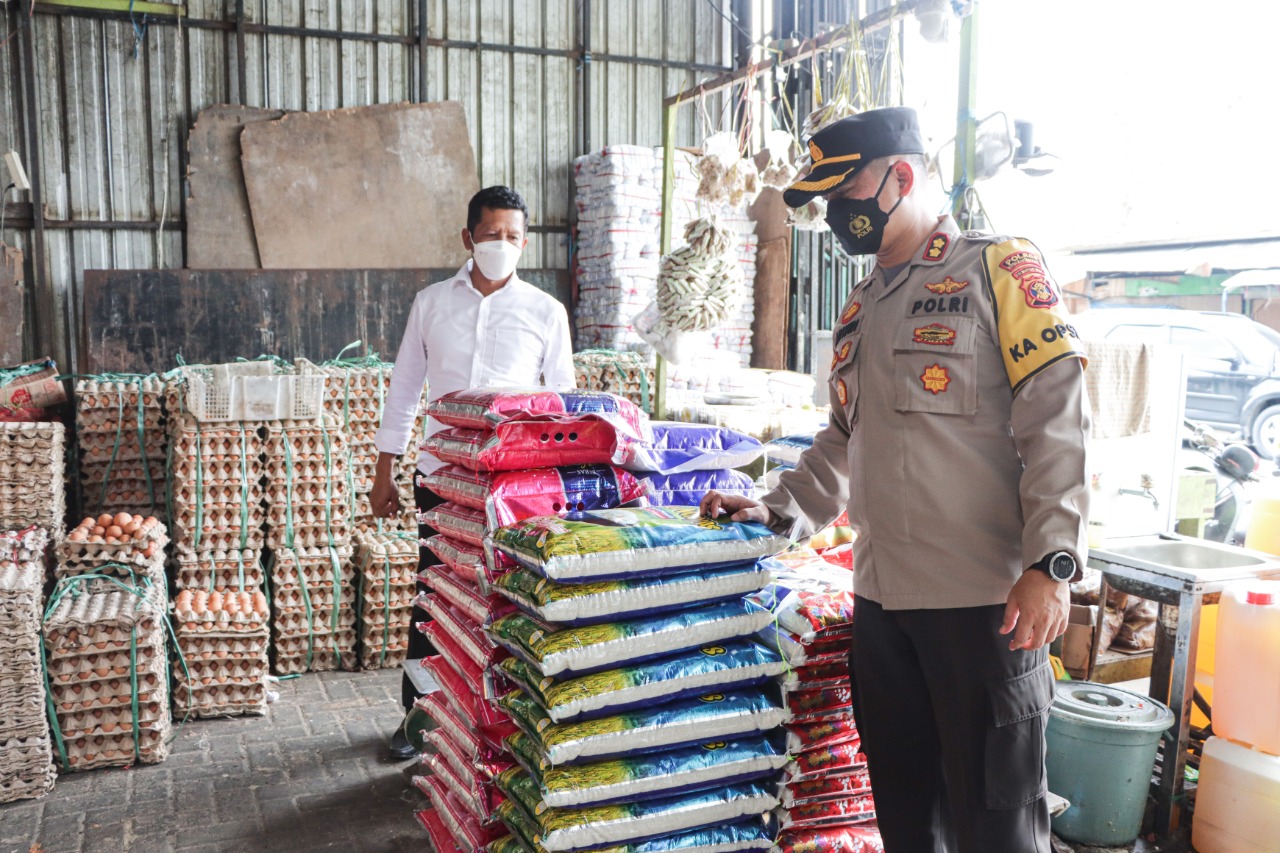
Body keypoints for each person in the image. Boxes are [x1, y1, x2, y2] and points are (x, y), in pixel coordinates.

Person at [700, 107, 1090, 853]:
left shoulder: (996, 270)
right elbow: (845, 441)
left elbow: (1058, 419)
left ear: (900, 176)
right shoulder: (861, 309)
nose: (834, 215)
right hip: (882, 607)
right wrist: (777, 509)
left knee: (997, 824)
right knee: (909, 820)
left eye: (843, 194)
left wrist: (1052, 563)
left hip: (985, 609)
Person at [371, 185, 575, 760]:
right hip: (440, 480)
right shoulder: (432, 303)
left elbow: (562, 405)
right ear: (468, 238)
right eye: (491, 235)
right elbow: (406, 389)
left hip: (515, 488)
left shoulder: (545, 312)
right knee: (435, 595)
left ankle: (501, 720)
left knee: (511, 597)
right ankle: (420, 717)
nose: (501, 245)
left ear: (526, 243)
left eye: (513, 237)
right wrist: (385, 470)